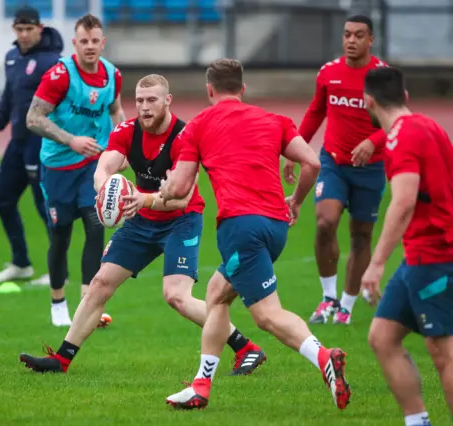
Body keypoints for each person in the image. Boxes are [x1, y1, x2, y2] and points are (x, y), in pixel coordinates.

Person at [18, 74, 267, 375]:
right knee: (99, 284)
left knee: (176, 296)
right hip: (141, 218)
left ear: (167, 101)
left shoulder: (185, 137)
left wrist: (142, 199)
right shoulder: (127, 130)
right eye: (139, 101)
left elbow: (181, 198)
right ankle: (61, 360)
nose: (145, 107)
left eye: (152, 100)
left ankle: (245, 347)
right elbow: (105, 165)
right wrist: (105, 189)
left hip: (181, 221)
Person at [160, 59, 351, 410]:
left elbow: (182, 186)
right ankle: (201, 386)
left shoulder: (199, 125)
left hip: (240, 227)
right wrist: (295, 201)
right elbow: (312, 162)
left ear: (209, 90)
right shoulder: (274, 120)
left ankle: (324, 357)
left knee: (266, 315)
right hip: (276, 226)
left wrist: (163, 189)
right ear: (243, 89)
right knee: (217, 294)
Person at [283, 15, 388, 325]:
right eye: (346, 35)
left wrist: (372, 141)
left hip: (371, 169)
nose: (351, 40)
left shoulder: (383, 77)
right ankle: (327, 298)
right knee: (325, 222)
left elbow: (398, 119)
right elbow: (316, 111)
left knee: (361, 236)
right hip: (333, 163)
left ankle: (346, 305)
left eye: (358, 35)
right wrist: (295, 149)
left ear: (371, 40)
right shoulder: (329, 72)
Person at [363, 66, 453, 426]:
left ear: (368, 101)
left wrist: (377, 262)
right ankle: (418, 421)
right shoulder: (430, 125)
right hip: (421, 255)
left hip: (433, 255)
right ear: (406, 96)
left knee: (443, 352)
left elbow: (403, 202)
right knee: (382, 337)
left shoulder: (401, 137)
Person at [26, 13, 126, 327]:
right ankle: (57, 302)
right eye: (84, 41)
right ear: (75, 43)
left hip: (93, 164)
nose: (90, 47)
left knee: (96, 225)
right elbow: (33, 118)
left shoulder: (113, 75)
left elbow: (117, 112)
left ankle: (88, 302)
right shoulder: (60, 76)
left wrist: (122, 148)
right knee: (60, 235)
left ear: (103, 42)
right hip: (57, 166)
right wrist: (71, 140)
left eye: (95, 41)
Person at [0, 6, 66, 285]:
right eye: (19, 29)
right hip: (18, 142)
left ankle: (59, 272)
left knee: (44, 205)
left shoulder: (52, 62)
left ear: (40, 29)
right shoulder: (12, 58)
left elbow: (60, 104)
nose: (24, 34)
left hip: (41, 143)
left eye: (29, 29)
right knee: (1, 199)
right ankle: (21, 262)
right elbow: (9, 96)